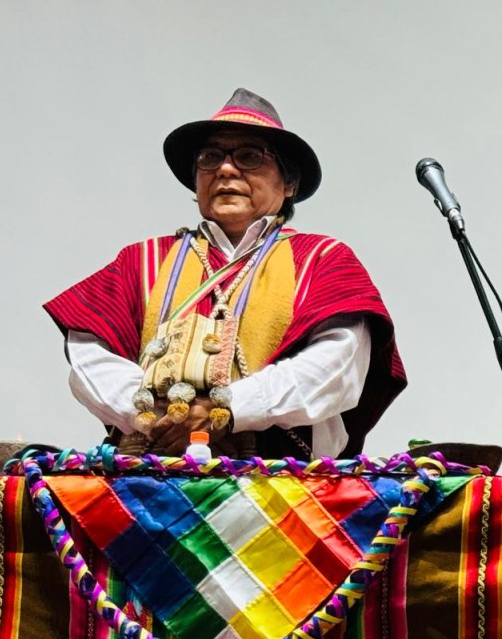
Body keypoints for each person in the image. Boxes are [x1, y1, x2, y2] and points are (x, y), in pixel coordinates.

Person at [45, 88, 406, 460]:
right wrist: (153, 416)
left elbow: (336, 366)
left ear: (289, 183)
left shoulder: (321, 259)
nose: (226, 169)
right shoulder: (141, 261)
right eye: (210, 157)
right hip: (149, 472)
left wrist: (227, 410)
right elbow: (89, 355)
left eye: (250, 157)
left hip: (281, 479)